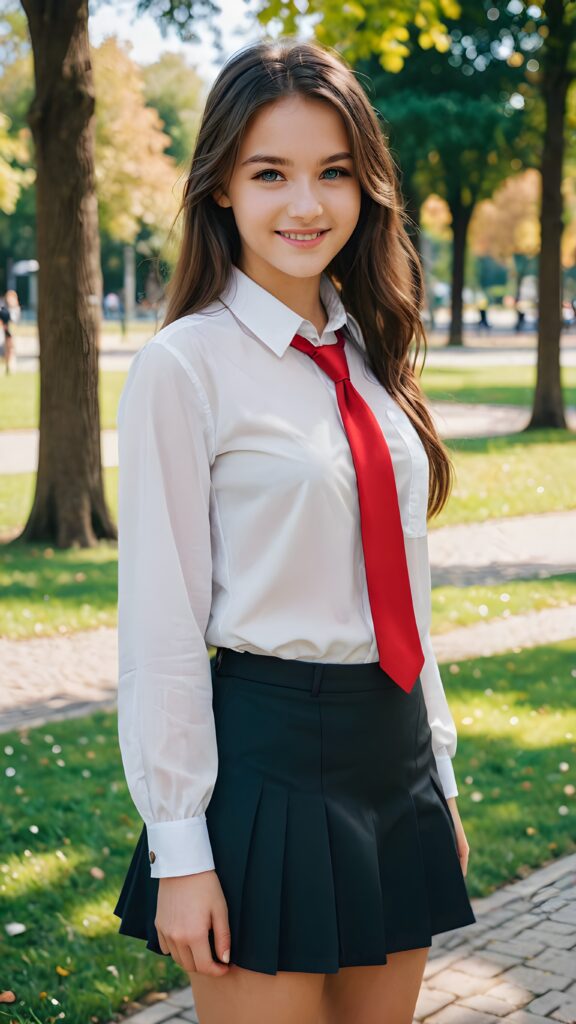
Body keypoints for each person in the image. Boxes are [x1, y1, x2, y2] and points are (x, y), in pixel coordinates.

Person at [113, 37, 476, 1024]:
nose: (305, 204)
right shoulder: (183, 369)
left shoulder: (370, 352)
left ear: (368, 190)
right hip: (267, 765)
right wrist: (180, 845)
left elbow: (405, 585)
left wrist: (437, 776)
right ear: (221, 187)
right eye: (269, 173)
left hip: (392, 763)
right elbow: (160, 627)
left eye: (334, 174)